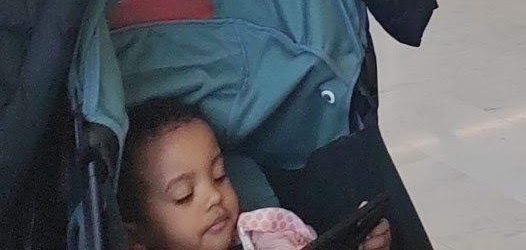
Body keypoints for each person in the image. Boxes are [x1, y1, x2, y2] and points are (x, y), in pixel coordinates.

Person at [118, 98, 391, 250]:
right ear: (137, 238)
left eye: (219, 176)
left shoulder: (266, 236)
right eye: (184, 195)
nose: (214, 196)